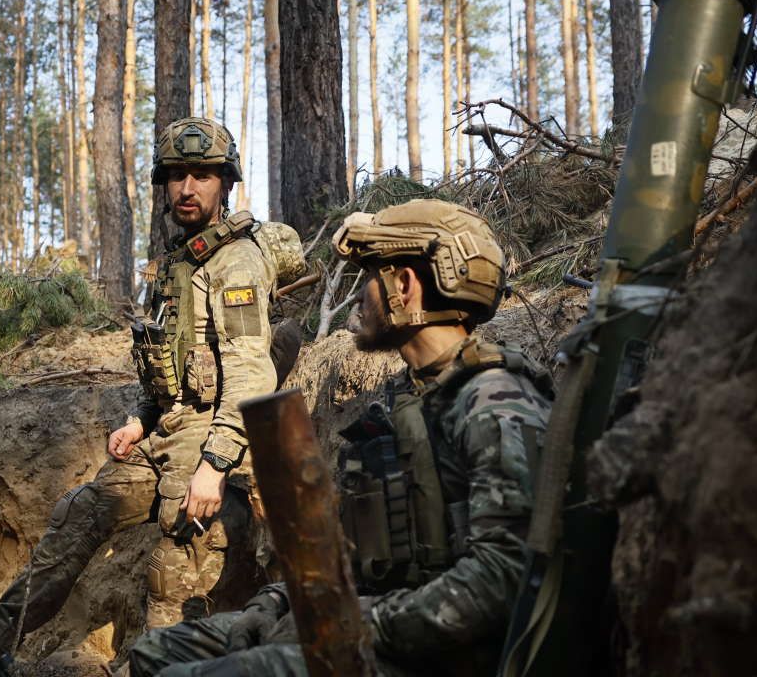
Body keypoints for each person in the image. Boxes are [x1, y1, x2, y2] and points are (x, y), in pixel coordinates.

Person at [127, 199, 555, 676]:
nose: (357, 297)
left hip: (439, 655)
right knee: (159, 653)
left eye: (368, 277)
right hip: (376, 631)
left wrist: (355, 624)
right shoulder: (403, 402)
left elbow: (504, 578)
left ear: (404, 286)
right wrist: (270, 607)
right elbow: (348, 553)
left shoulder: (495, 402)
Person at [0, 118, 278, 654]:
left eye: (202, 176)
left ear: (226, 183)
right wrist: (141, 418)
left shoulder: (236, 262)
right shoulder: (178, 264)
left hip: (217, 439)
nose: (187, 188)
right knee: (80, 512)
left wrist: (214, 468)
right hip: (169, 429)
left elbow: (250, 373)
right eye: (176, 176)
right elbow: (172, 363)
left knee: (176, 561)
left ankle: (163, 659)